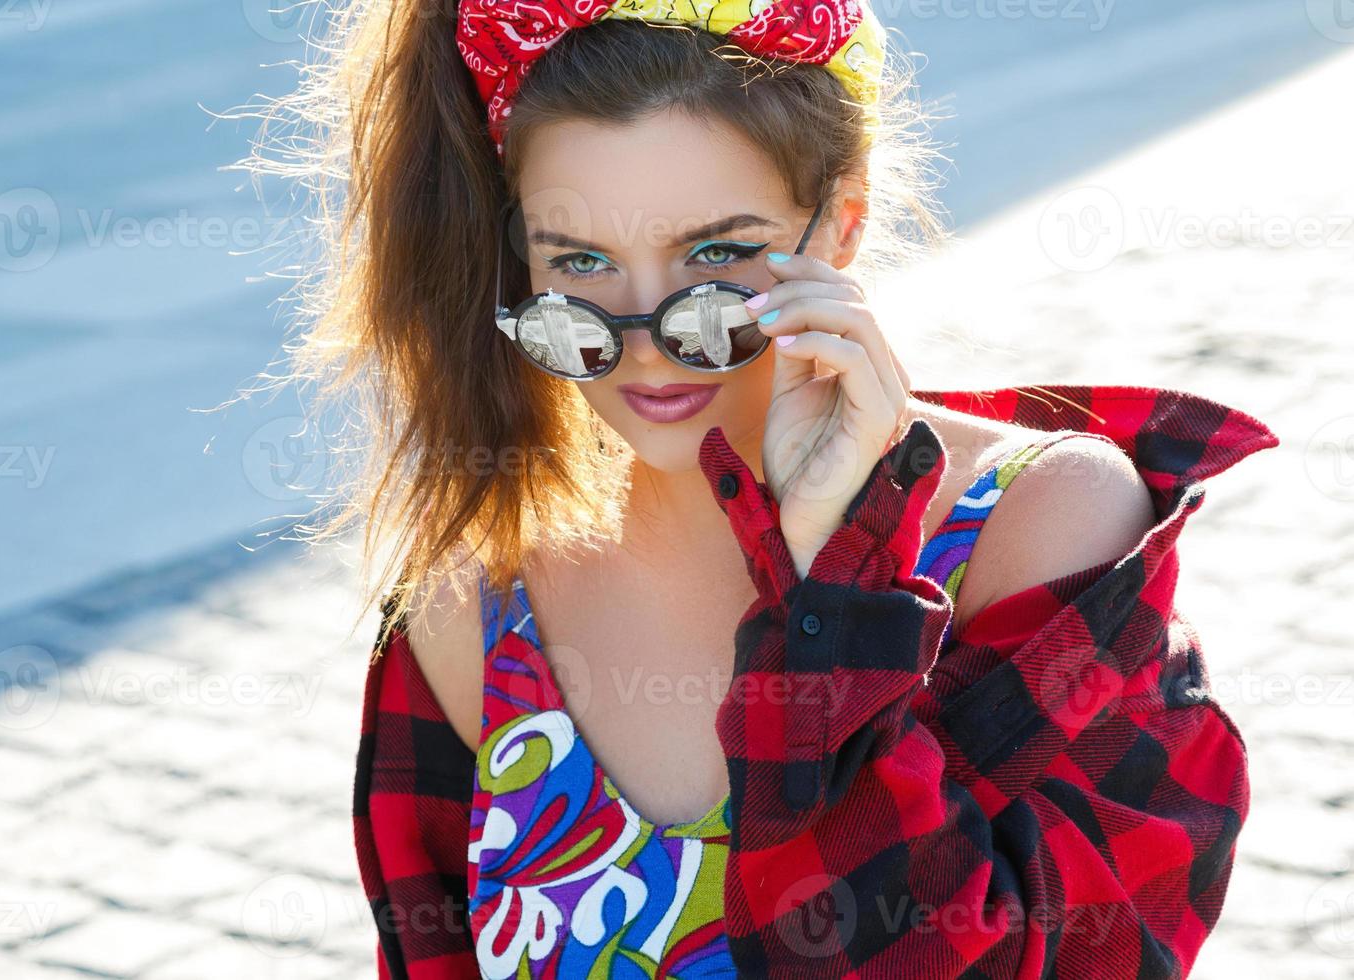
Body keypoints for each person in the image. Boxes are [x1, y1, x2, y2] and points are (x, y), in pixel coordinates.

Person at [246, 0, 1280, 974]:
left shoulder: (1046, 528)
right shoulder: (476, 599)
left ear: (837, 228)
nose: (646, 347)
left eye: (717, 255)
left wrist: (833, 589)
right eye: (581, 265)